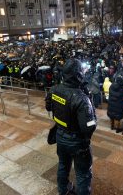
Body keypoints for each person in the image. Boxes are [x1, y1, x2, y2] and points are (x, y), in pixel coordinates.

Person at [45, 59, 97, 195]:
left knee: (63, 165)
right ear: (79, 75)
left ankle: (63, 190)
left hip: (60, 136)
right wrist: (89, 102)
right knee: (83, 174)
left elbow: (48, 106)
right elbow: (89, 127)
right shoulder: (82, 98)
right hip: (77, 142)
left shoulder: (54, 89)